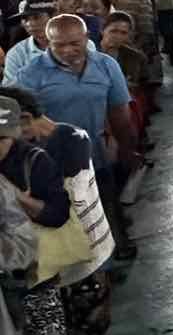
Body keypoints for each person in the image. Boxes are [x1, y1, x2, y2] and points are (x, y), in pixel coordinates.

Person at [4, 86, 114, 335]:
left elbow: (62, 208)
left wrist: (19, 197)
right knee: (49, 334)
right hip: (37, 266)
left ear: (25, 119)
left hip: (83, 254)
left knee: (89, 326)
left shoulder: (68, 140)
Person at [17, 14, 138, 262]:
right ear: (48, 42)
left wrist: (126, 147)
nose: (68, 50)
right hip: (56, 159)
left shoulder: (105, 66)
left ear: (86, 38)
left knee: (106, 198)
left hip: (97, 149)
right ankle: (90, 264)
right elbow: (25, 125)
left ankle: (117, 244)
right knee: (74, 213)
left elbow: (119, 113)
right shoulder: (31, 75)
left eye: (75, 43)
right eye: (59, 44)